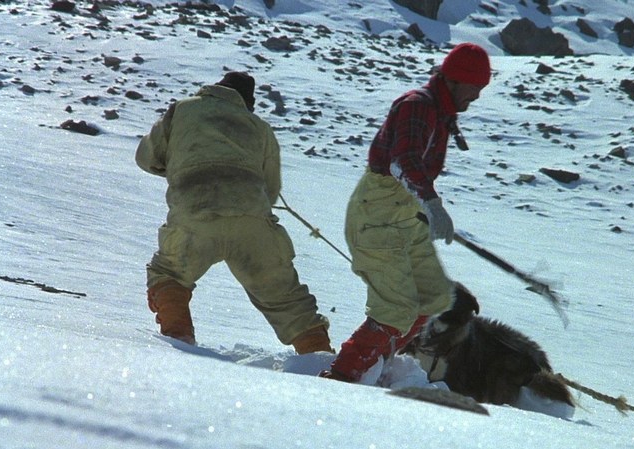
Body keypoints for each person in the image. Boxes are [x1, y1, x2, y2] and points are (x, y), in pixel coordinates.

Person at [321, 43, 491, 382]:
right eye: (475, 87)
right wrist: (431, 203)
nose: (477, 95)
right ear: (456, 80)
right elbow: (403, 160)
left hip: (405, 212)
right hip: (378, 213)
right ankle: (342, 377)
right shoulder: (418, 106)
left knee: (434, 296)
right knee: (395, 307)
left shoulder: (440, 113)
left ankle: (376, 363)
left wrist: (424, 207)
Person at [136, 71, 332, 354]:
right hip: (252, 223)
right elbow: (270, 190)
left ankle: (179, 342)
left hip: (196, 216)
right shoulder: (260, 127)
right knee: (288, 302)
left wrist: (181, 167)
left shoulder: (182, 110)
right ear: (247, 102)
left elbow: (146, 157)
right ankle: (320, 360)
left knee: (168, 274)